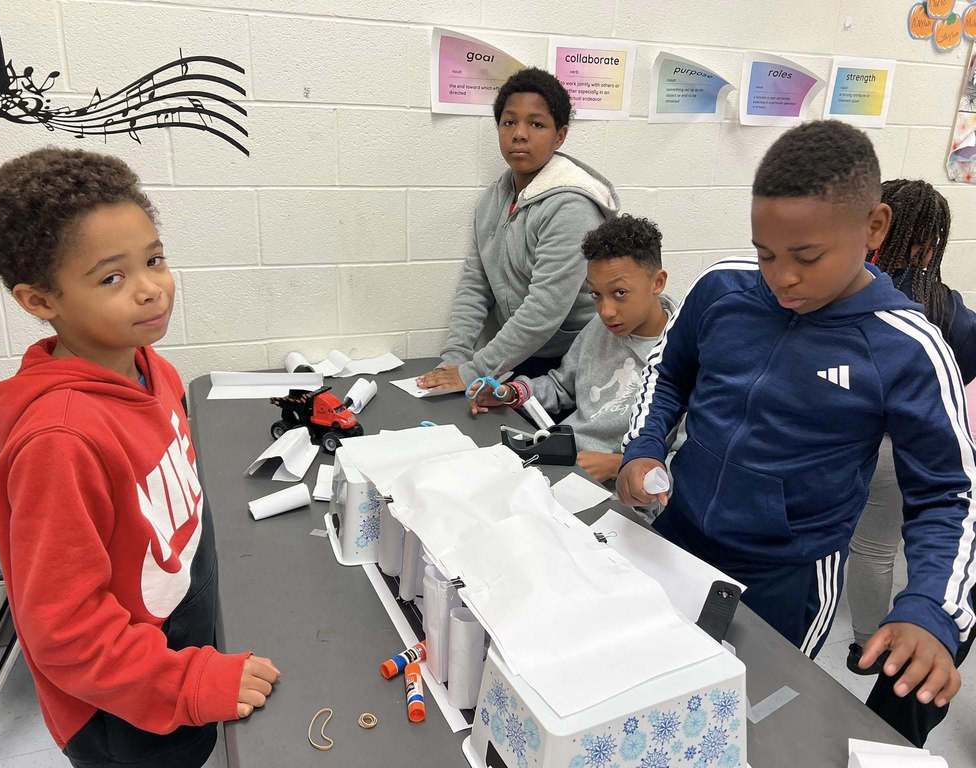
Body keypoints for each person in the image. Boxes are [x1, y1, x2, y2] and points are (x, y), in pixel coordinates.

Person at [617, 121, 973, 714]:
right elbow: (670, 372)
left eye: (807, 257)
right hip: (677, 537)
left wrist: (930, 607)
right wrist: (645, 446)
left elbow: (948, 495)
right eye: (766, 254)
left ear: (874, 228)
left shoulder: (906, 345)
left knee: (748, 717)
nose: (782, 276)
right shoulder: (722, 289)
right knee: (646, 687)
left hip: (786, 577)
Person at [0, 148, 279, 768]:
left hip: (177, 645)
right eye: (112, 278)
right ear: (39, 301)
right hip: (125, 710)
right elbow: (66, 635)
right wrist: (187, 685)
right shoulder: (59, 443)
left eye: (154, 260)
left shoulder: (152, 368)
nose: (150, 290)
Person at [844, 179, 976, 745]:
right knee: (887, 546)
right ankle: (880, 644)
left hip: (860, 444)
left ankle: (865, 639)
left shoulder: (858, 288)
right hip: (910, 449)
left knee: (863, 546)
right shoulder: (950, 307)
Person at [417, 67, 619, 393]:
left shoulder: (572, 207)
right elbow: (475, 285)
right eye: (509, 122)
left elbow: (544, 309)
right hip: (518, 356)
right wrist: (455, 358)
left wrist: (474, 371)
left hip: (573, 365)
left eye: (536, 124)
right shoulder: (492, 201)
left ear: (560, 135)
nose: (519, 134)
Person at [469, 214, 675, 484]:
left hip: (621, 488)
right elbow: (562, 387)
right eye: (596, 294)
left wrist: (620, 464)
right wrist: (511, 393)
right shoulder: (599, 328)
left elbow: (695, 458)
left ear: (657, 283)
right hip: (563, 462)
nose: (606, 311)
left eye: (620, 293)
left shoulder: (686, 351)